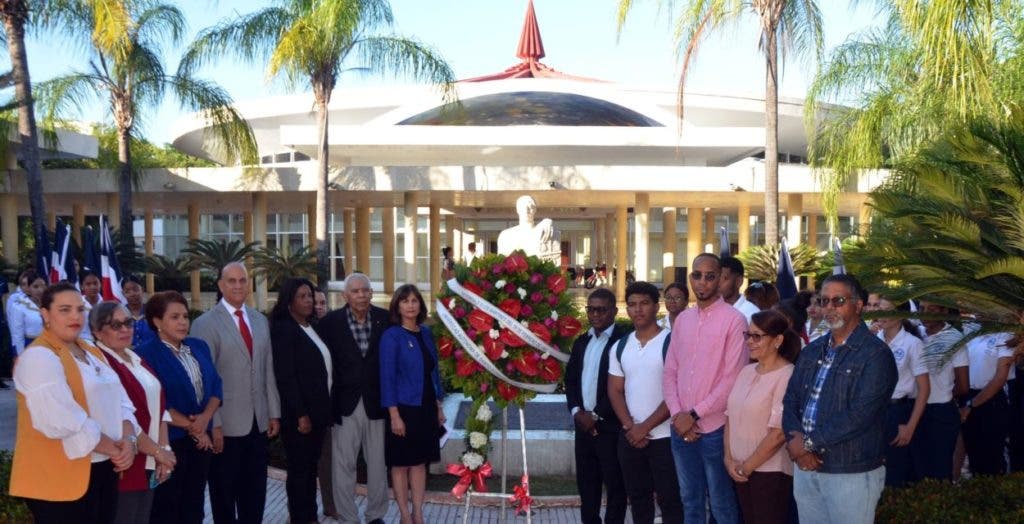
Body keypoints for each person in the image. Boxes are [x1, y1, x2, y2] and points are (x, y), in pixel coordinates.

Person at [10, 282, 140, 523]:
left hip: (104, 469)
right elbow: (62, 420)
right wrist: (117, 449)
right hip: (59, 480)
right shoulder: (39, 357)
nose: (75, 316)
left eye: (80, 310)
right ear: (45, 314)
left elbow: (122, 402)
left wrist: (130, 441)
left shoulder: (92, 351)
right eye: (65, 310)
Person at [782, 274, 897, 524]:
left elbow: (861, 415)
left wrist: (808, 444)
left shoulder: (876, 355)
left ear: (858, 305)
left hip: (851, 471)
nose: (830, 308)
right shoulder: (812, 349)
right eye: (824, 301)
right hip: (806, 468)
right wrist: (797, 445)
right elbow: (791, 400)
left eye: (838, 300)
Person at [190, 262, 281, 524]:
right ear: (220, 285)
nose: (238, 285)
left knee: (255, 494)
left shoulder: (260, 320)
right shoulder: (205, 324)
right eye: (232, 281)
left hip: (258, 422)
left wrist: (274, 412)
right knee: (224, 495)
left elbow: (267, 370)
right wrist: (213, 424)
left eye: (243, 280)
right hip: (225, 426)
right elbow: (205, 379)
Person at [664, 253, 747, 524]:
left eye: (710, 276)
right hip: (680, 428)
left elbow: (732, 378)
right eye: (697, 275)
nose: (703, 282)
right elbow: (670, 371)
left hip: (715, 429)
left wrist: (695, 415)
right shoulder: (683, 321)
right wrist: (679, 415)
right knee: (690, 501)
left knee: (722, 504)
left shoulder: (734, 321)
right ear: (690, 278)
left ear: (720, 279)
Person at [137, 291, 222, 524]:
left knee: (194, 505)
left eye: (185, 316)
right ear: (157, 321)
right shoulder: (144, 354)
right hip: (170, 442)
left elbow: (216, 386)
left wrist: (205, 419)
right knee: (167, 506)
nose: (183, 322)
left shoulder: (198, 346)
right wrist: (196, 428)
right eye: (175, 317)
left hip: (200, 442)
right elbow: (158, 402)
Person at [90, 301, 177, 524]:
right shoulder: (102, 365)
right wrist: (158, 452)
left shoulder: (135, 358)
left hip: (150, 460)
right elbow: (122, 418)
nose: (125, 329)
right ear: (97, 331)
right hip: (125, 463)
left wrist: (164, 450)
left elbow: (160, 407)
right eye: (115, 325)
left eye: (128, 323)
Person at [316, 272, 392, 524]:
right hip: (344, 404)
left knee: (378, 464)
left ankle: (375, 515)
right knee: (343, 466)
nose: (361, 295)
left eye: (365, 290)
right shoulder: (329, 323)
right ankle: (348, 518)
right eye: (355, 291)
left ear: (372, 293)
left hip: (377, 403)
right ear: (345, 296)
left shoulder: (385, 319)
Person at [608, 281, 683, 524]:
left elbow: (677, 392)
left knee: (671, 500)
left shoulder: (672, 342)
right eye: (632, 305)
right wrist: (631, 427)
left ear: (656, 307)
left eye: (644, 304)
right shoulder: (620, 346)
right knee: (638, 500)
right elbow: (615, 390)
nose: (638, 310)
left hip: (666, 438)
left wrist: (645, 427)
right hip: (630, 438)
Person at [379, 284, 446, 524]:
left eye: (414, 300)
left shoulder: (426, 333)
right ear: (397, 305)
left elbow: (434, 373)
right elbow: (386, 378)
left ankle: (418, 513)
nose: (410, 305)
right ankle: (405, 517)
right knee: (400, 465)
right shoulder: (392, 336)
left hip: (426, 407)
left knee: (419, 463)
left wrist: (439, 406)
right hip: (403, 409)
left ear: (421, 305)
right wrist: (394, 415)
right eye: (405, 301)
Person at [725, 309, 798, 524]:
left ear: (777, 340)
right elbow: (729, 417)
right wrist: (729, 460)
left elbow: (778, 433)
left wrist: (746, 467)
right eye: (748, 335)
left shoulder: (787, 374)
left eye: (757, 336)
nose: (749, 341)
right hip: (738, 470)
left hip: (770, 472)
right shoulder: (746, 371)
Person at [270, 278, 333, 524]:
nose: (308, 301)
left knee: (309, 470)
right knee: (299, 471)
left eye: (310, 296)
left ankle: (309, 516)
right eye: (302, 297)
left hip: (317, 414)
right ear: (289, 301)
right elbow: (286, 376)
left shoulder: (310, 326)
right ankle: (300, 517)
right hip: (300, 417)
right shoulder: (285, 330)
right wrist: (300, 414)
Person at [565, 287, 629, 524]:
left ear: (613, 311)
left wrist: (596, 415)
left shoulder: (623, 341)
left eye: (601, 310)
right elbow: (570, 381)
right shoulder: (582, 341)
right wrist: (577, 413)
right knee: (587, 486)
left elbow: (621, 387)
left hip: (610, 428)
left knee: (615, 487)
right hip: (583, 427)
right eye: (590, 310)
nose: (595, 315)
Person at [873, 295, 930, 486]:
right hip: (874, 413)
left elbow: (924, 389)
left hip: (898, 413)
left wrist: (910, 426)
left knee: (895, 472)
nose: (882, 314)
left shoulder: (913, 344)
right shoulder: (873, 341)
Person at [911, 300, 968, 481]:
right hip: (914, 410)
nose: (925, 313)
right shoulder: (916, 335)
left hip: (940, 412)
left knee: (940, 468)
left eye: (932, 309)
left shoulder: (954, 339)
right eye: (922, 309)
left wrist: (943, 394)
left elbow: (963, 385)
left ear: (944, 310)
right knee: (917, 466)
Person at [961, 330, 1014, 475]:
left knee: (993, 458)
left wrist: (972, 404)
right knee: (975, 456)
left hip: (992, 400)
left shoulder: (1005, 336)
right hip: (970, 398)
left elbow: (1000, 378)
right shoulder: (972, 333)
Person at [311, 287, 336, 518]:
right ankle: (300, 510)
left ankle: (330, 506)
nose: (319, 306)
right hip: (306, 411)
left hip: (329, 409)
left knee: (327, 462)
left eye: (322, 303)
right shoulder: (301, 331)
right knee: (305, 465)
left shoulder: (331, 331)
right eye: (315, 302)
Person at [496, 195, 560, 263]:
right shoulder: (506, 235)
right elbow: (501, 263)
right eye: (523, 207)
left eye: (530, 207)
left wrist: (548, 222)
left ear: (535, 210)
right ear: (518, 210)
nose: (526, 210)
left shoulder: (541, 230)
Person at [9, 269, 46, 356]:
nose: (41, 290)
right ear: (28, 288)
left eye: (43, 285)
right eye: (35, 286)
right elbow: (17, 336)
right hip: (31, 348)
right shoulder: (19, 306)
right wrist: (20, 356)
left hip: (52, 347)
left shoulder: (51, 304)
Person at [719, 257, 760, 323]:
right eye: (715, 278)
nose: (718, 283)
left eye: (724, 278)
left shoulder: (751, 314)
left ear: (739, 281)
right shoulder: (708, 310)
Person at [121, 275, 156, 348]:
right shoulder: (120, 314)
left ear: (142, 289)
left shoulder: (153, 311)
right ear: (123, 293)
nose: (132, 294)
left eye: (135, 289)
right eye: (127, 291)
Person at [79, 270, 103, 341]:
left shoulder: (107, 303)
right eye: (88, 284)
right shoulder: (77, 304)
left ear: (100, 284)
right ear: (81, 286)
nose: (93, 287)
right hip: (83, 342)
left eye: (95, 283)